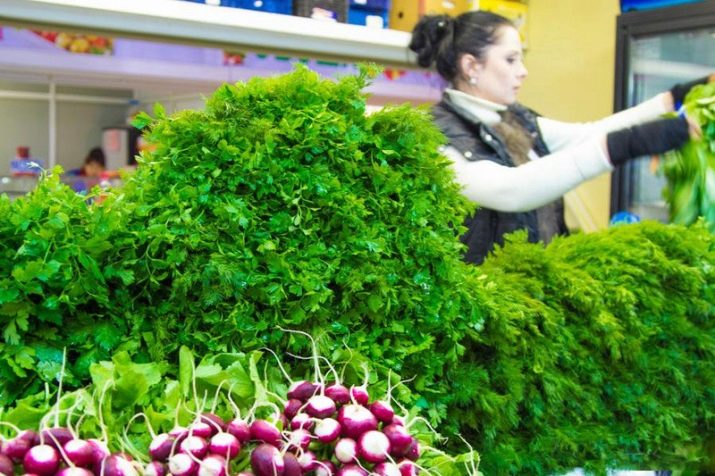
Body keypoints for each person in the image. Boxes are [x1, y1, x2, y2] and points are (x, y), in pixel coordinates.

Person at [409, 11, 711, 264]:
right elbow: (511, 190)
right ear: (471, 66)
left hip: (535, 293)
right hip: (484, 304)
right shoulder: (439, 135)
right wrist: (630, 143)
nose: (523, 71)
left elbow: (588, 134)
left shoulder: (514, 118)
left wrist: (671, 100)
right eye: (511, 60)